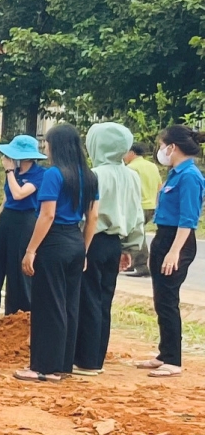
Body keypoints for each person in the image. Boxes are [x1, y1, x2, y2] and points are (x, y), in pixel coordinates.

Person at [15, 124, 99, 382]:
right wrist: (83, 250)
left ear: (57, 146)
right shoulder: (90, 175)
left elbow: (48, 214)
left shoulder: (54, 174)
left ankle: (43, 367)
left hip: (54, 242)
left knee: (47, 305)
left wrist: (31, 249)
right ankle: (62, 364)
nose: (45, 148)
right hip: (75, 239)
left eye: (47, 143)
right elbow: (93, 216)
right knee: (69, 305)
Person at [73, 122, 145, 376]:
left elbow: (87, 216)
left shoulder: (95, 175)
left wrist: (80, 248)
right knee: (104, 299)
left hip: (93, 240)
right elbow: (136, 215)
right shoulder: (131, 176)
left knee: (87, 298)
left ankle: (85, 359)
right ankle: (97, 357)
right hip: (115, 243)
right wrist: (129, 248)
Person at [136, 124, 201, 377]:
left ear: (172, 147)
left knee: (168, 300)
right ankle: (164, 353)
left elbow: (188, 219)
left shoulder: (190, 176)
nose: (160, 150)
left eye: (162, 145)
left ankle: (173, 360)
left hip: (178, 240)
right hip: (164, 237)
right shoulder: (176, 173)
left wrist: (174, 251)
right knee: (161, 298)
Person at [0, 134, 42, 319]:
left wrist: (9, 172)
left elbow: (20, 194)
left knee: (17, 269)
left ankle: (18, 314)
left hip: (25, 220)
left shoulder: (38, 174)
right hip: (7, 218)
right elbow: (8, 199)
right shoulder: (14, 173)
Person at [124, 141, 162, 275]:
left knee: (136, 235)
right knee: (132, 233)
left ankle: (141, 266)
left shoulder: (131, 168)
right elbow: (159, 186)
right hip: (152, 205)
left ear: (132, 153)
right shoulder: (152, 166)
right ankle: (130, 262)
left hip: (137, 206)